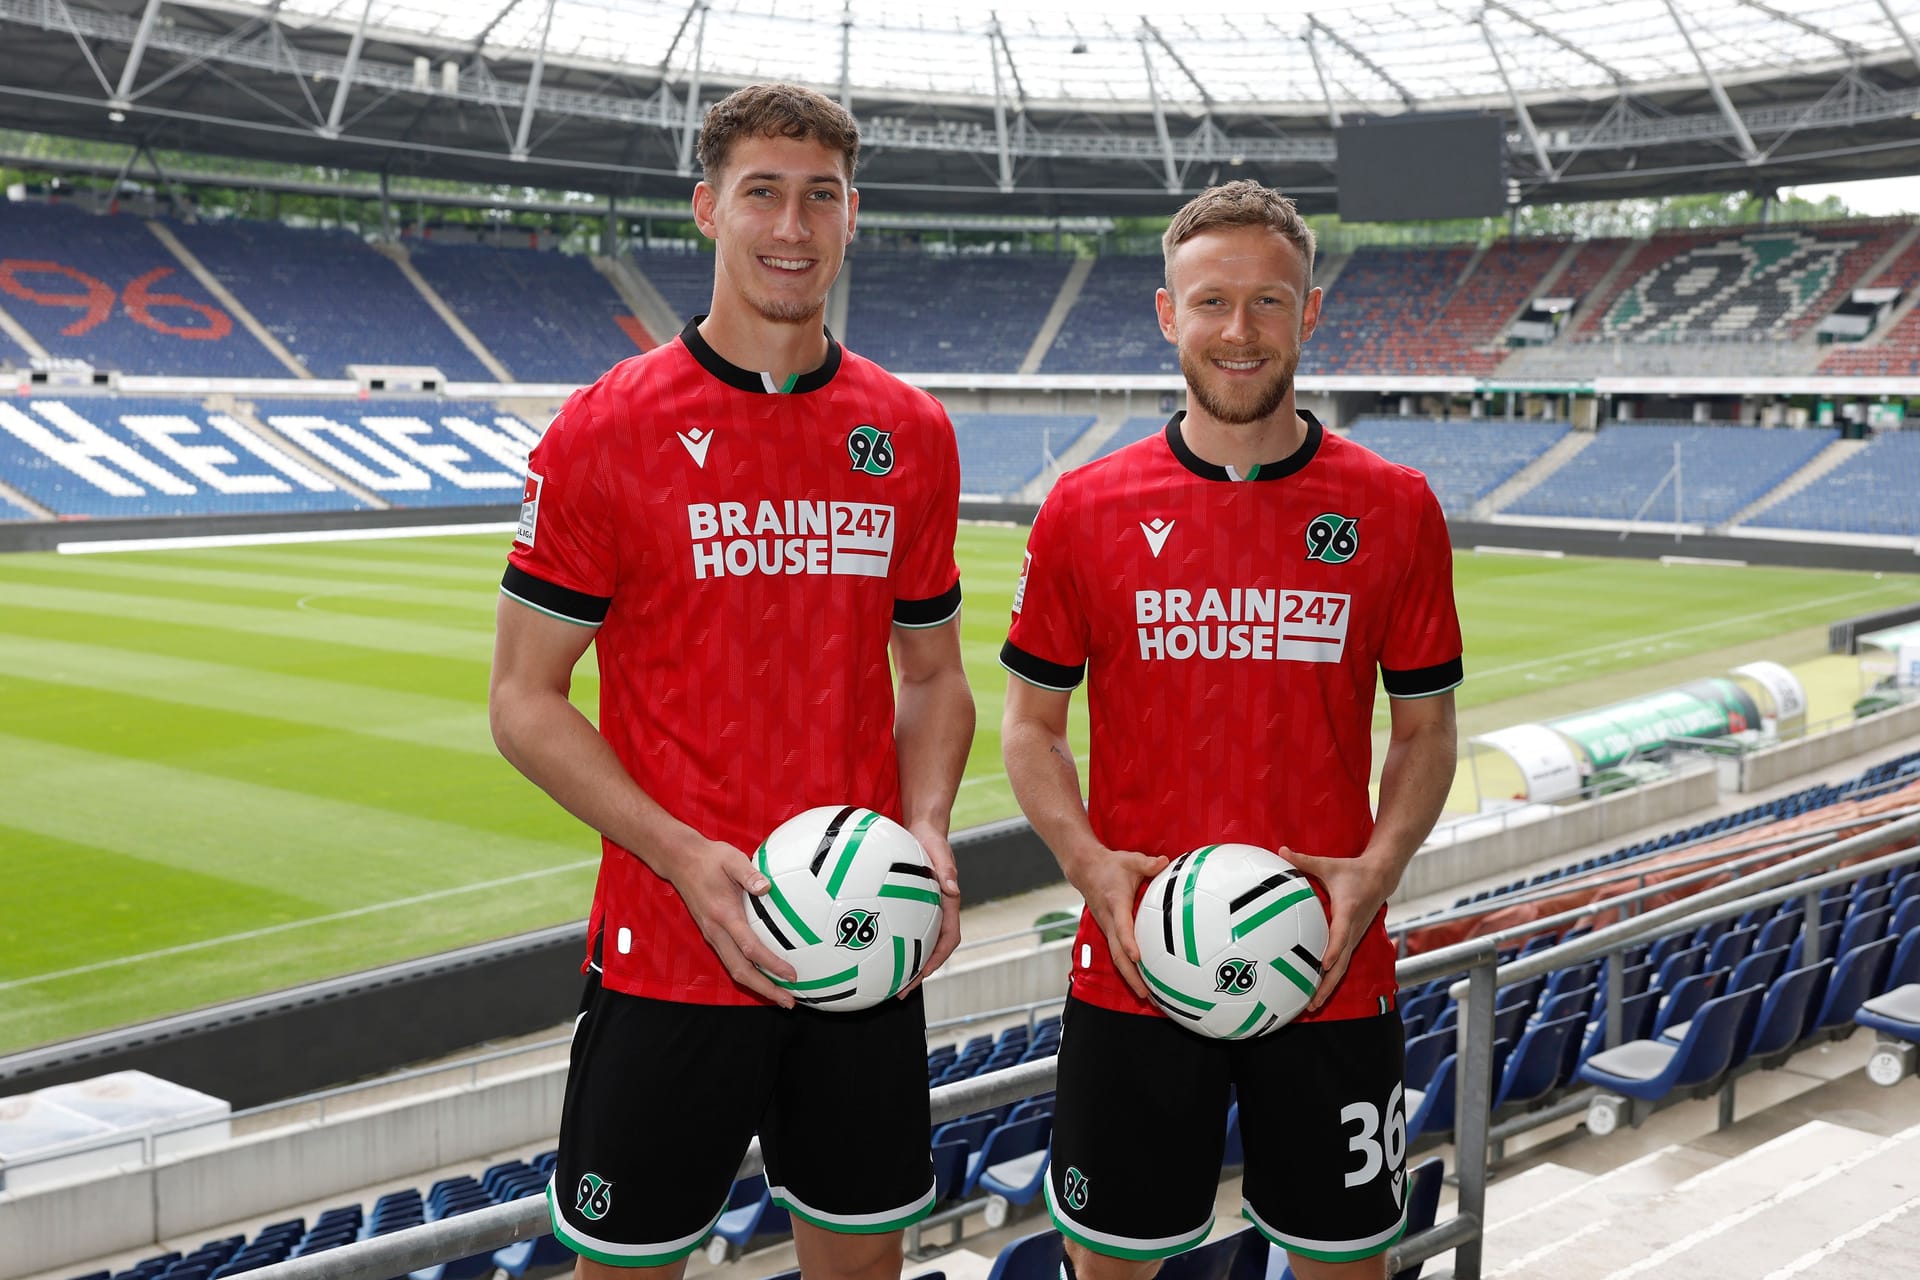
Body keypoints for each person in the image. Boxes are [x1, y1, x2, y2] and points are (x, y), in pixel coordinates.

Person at [489, 82, 975, 1280]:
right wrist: (680, 852)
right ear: (709, 209)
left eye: (821, 196)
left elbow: (935, 676)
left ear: (853, 216)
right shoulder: (603, 429)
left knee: (863, 1263)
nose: (792, 225)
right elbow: (524, 700)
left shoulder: (909, 431)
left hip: (862, 941)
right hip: (669, 946)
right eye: (763, 191)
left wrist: (924, 830)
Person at [999, 181, 1462, 1280]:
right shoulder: (1084, 506)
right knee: (1111, 1263)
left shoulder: (1395, 505)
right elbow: (1030, 725)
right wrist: (1090, 864)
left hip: (1331, 964)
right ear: (1170, 315)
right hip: (1134, 963)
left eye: (1269, 301)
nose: (1240, 331)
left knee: (1346, 1264)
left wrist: (1374, 873)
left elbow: (1426, 732)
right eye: (1213, 302)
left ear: (1310, 313)